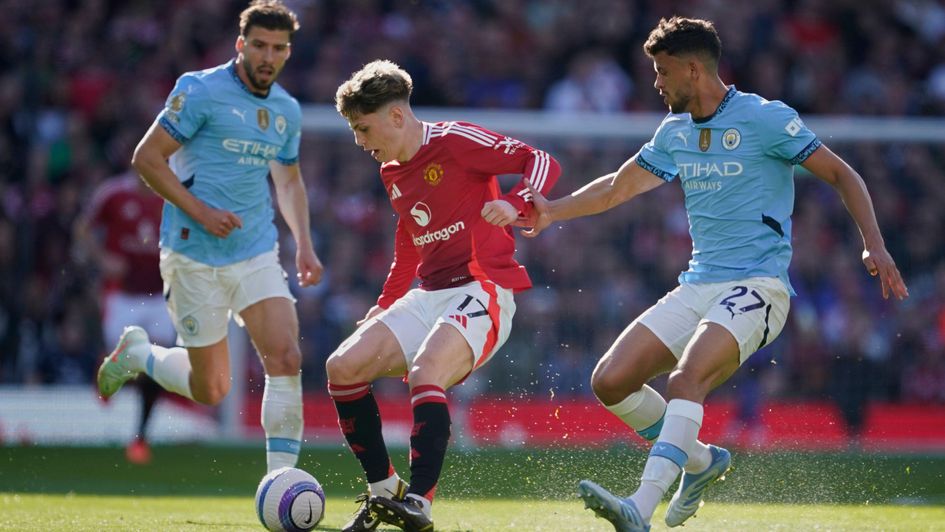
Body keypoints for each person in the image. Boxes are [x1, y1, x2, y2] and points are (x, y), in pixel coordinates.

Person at [520, 16, 909, 532]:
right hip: (699, 283)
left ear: (693, 69)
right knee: (610, 381)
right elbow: (617, 186)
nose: (656, 83)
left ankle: (640, 506)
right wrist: (552, 211)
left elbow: (843, 173)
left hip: (760, 287)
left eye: (662, 72)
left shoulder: (764, 118)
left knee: (686, 379)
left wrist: (874, 245)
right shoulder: (674, 130)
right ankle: (701, 462)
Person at [328, 59, 559, 532]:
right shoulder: (392, 170)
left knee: (425, 372)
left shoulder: (455, 141)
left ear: (395, 116)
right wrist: (388, 300)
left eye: (363, 128)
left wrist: (516, 202)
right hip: (430, 293)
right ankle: (383, 492)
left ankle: (419, 502)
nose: (359, 141)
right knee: (342, 368)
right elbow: (410, 236)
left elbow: (541, 161)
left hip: (483, 288)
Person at [96, 0, 323, 474]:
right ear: (241, 45)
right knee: (212, 388)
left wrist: (303, 241)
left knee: (285, 355)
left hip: (256, 249)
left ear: (287, 53)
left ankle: (281, 485)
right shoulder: (199, 90)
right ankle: (141, 354)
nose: (267, 56)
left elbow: (288, 180)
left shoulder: (286, 110)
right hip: (192, 253)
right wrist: (202, 212)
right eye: (258, 45)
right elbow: (147, 158)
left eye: (278, 48)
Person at [76, 170, 177, 464]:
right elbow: (82, 228)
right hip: (122, 294)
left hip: (159, 295)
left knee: (157, 365)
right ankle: (107, 370)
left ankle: (141, 436)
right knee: (124, 352)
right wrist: (101, 259)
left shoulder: (172, 195)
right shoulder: (113, 193)